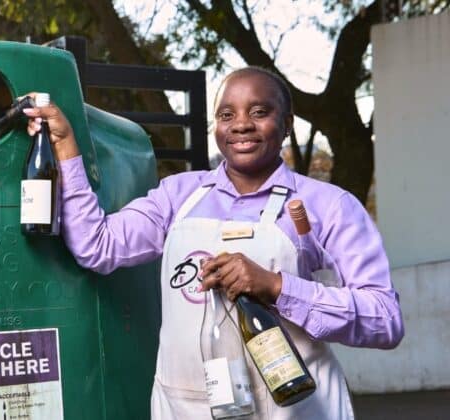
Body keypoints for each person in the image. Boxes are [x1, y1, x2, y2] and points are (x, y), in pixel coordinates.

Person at [22, 67, 404, 420]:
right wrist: (66, 146)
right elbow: (96, 246)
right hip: (184, 408)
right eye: (227, 115)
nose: (241, 125)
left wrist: (276, 286)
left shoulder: (329, 206)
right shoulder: (178, 196)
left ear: (286, 125)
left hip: (291, 409)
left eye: (258, 112)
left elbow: (384, 319)